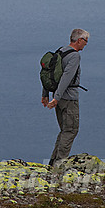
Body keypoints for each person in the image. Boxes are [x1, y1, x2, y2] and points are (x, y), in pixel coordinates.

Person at [42, 28, 89, 166]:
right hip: (68, 99)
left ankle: (53, 161)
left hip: (60, 98)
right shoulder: (74, 56)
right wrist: (56, 97)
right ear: (79, 40)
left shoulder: (60, 51)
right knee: (71, 130)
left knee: (64, 131)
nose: (86, 44)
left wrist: (45, 94)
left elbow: (48, 73)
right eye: (85, 41)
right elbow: (66, 77)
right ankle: (59, 163)